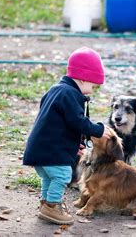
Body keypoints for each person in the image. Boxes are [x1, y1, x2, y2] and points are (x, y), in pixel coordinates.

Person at [23, 47, 111, 225]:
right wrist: (98, 129)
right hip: (52, 151)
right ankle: (53, 206)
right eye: (92, 85)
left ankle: (46, 203)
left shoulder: (56, 90)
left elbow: (59, 122)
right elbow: (77, 121)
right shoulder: (70, 94)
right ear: (83, 78)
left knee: (49, 177)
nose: (91, 91)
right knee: (62, 175)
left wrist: (75, 142)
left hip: (40, 148)